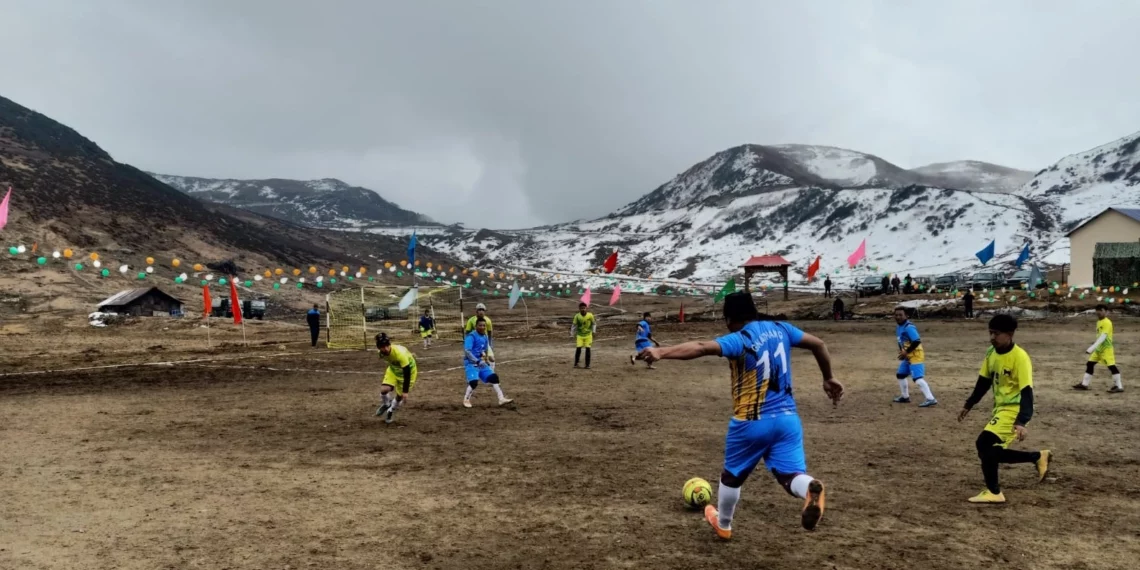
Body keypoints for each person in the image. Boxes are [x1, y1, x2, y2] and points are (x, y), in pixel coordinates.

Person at [639, 292, 843, 539]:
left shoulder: (741, 338)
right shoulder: (782, 328)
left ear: (729, 319)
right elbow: (818, 343)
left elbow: (702, 347)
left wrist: (662, 352)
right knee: (791, 476)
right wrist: (828, 377)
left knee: (731, 477)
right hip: (788, 419)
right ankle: (809, 490)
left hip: (751, 421)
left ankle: (723, 525)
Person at [958, 314, 1051, 503]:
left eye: (997, 334)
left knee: (983, 444)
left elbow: (1027, 391)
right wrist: (969, 404)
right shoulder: (991, 353)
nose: (992, 337)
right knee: (990, 451)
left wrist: (1022, 421)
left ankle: (994, 492)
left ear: (1010, 334)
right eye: (990, 333)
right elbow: (983, 382)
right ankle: (1038, 457)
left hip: (1014, 410)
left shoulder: (1020, 358)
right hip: (1000, 409)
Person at [463, 318, 513, 408]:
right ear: (476, 326)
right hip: (471, 363)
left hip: (481, 362)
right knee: (474, 382)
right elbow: (467, 352)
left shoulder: (485, 336)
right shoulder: (471, 337)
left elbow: (484, 349)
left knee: (494, 377)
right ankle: (466, 399)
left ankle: (501, 399)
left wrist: (486, 359)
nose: (482, 327)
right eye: (480, 325)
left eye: (484, 325)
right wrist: (477, 361)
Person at [892, 308, 938, 407]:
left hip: (916, 355)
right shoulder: (899, 327)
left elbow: (917, 341)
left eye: (900, 315)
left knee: (917, 378)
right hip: (908, 355)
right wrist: (903, 353)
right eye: (896, 315)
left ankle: (930, 398)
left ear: (906, 316)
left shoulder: (909, 327)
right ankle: (905, 397)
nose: (898, 317)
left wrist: (906, 352)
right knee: (900, 375)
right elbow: (901, 342)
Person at [1073, 304, 1123, 392]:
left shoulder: (1107, 322)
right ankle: (1084, 384)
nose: (1099, 312)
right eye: (1098, 310)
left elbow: (1103, 337)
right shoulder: (1099, 322)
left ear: (1106, 312)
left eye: (1101, 310)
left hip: (1106, 348)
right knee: (1090, 364)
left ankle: (1119, 386)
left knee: (1111, 366)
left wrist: (1092, 347)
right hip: (1099, 348)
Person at [374, 333, 418, 425]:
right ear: (378, 347)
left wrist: (405, 392)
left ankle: (390, 410)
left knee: (399, 396)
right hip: (393, 370)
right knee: (384, 390)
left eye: (387, 345)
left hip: (408, 372)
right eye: (382, 346)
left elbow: (407, 372)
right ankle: (386, 404)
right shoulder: (381, 354)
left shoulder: (399, 354)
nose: (385, 348)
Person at [465, 303, 494, 367]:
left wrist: (490, 344)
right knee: (475, 358)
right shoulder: (471, 320)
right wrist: (467, 343)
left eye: (482, 310)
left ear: (485, 311)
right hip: (475, 342)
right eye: (479, 310)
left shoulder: (488, 320)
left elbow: (490, 333)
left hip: (485, 341)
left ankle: (490, 372)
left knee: (492, 359)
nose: (481, 312)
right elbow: (467, 332)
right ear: (476, 311)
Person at [572, 302, 597, 369]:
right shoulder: (577, 316)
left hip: (588, 335)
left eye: (584, 308)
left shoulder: (590, 315)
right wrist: (572, 333)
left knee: (588, 349)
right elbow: (574, 325)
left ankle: (587, 365)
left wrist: (594, 331)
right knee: (578, 348)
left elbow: (593, 323)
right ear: (579, 309)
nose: (583, 309)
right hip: (580, 335)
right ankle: (576, 363)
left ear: (586, 308)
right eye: (581, 308)